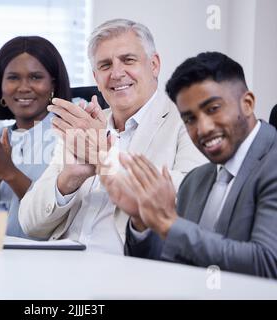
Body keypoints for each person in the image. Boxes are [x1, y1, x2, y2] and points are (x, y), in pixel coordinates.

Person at [18, 19, 206, 254]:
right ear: (96, 78)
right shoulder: (84, 128)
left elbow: (193, 202)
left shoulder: (189, 120)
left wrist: (106, 160)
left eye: (128, 60)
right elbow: (29, 223)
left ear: (154, 65)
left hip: (130, 273)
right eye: (105, 65)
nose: (117, 73)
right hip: (60, 268)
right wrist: (69, 179)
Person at [105, 52, 277, 278]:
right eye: (189, 119)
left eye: (213, 109)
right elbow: (169, 264)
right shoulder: (195, 180)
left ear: (247, 104)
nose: (203, 128)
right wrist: (142, 221)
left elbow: (268, 263)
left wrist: (168, 224)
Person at [0, 36, 72, 239]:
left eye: (36, 77)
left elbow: (56, 221)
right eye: (13, 78)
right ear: (0, 85)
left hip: (43, 261)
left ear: (52, 84)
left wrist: (9, 173)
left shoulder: (67, 134)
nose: (23, 87)